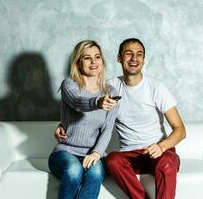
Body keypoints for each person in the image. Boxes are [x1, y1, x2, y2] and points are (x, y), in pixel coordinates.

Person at [56, 38, 186, 199]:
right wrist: (63, 124)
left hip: (158, 152)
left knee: (167, 163)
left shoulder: (156, 88)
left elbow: (180, 130)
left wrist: (161, 146)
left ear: (143, 59)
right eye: (129, 54)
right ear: (119, 58)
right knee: (112, 160)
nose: (134, 58)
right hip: (129, 155)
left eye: (139, 54)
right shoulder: (111, 88)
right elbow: (82, 105)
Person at [48, 40, 119, 199]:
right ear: (78, 62)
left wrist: (96, 153)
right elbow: (77, 102)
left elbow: (107, 129)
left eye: (97, 57)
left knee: (95, 174)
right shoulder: (69, 85)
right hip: (65, 152)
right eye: (87, 58)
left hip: (92, 154)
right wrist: (97, 102)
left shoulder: (111, 92)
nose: (94, 62)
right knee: (74, 171)